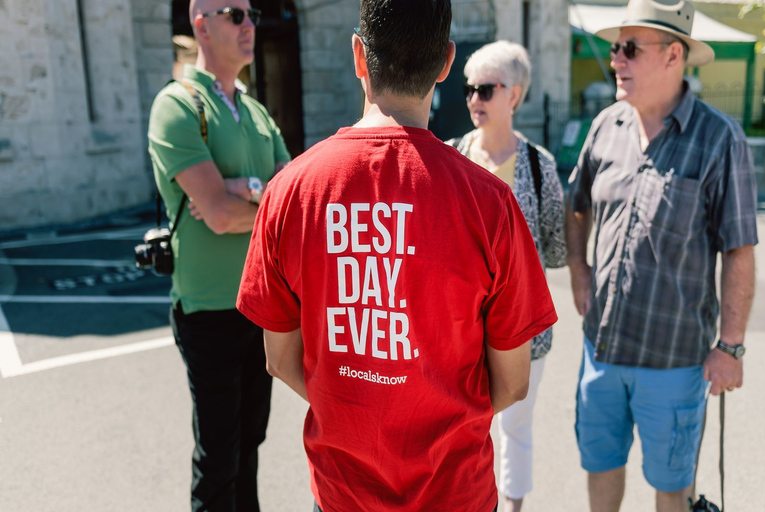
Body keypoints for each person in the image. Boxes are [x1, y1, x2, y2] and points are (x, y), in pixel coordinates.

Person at [236, 1, 558, 511]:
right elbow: (513, 382)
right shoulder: (490, 202)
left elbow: (280, 360)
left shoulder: (289, 191)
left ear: (358, 55)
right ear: (448, 62)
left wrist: (354, 410)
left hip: (343, 493)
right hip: (456, 492)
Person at [565, 0, 758, 511]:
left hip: (674, 362)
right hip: (600, 352)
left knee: (672, 489)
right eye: (614, 49)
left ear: (674, 55)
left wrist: (731, 346)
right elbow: (576, 205)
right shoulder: (606, 125)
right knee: (600, 468)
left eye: (630, 49)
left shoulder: (720, 139)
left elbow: (739, 248)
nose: (616, 61)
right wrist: (580, 274)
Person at [147, 1, 291, 510]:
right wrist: (255, 197)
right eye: (235, 13)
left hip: (260, 305)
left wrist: (242, 187)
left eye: (251, 13)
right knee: (219, 458)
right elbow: (219, 213)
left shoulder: (254, 109)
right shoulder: (178, 104)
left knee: (250, 444)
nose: (250, 24)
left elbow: (288, 199)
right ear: (201, 23)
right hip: (209, 310)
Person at [449, 41, 566, 512]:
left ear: (514, 95)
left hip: (521, 331)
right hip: (458, 328)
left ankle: (512, 506)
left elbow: (555, 247)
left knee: (515, 425)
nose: (474, 98)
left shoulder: (541, 167)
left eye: (485, 89)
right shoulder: (451, 157)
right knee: (462, 426)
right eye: (467, 89)